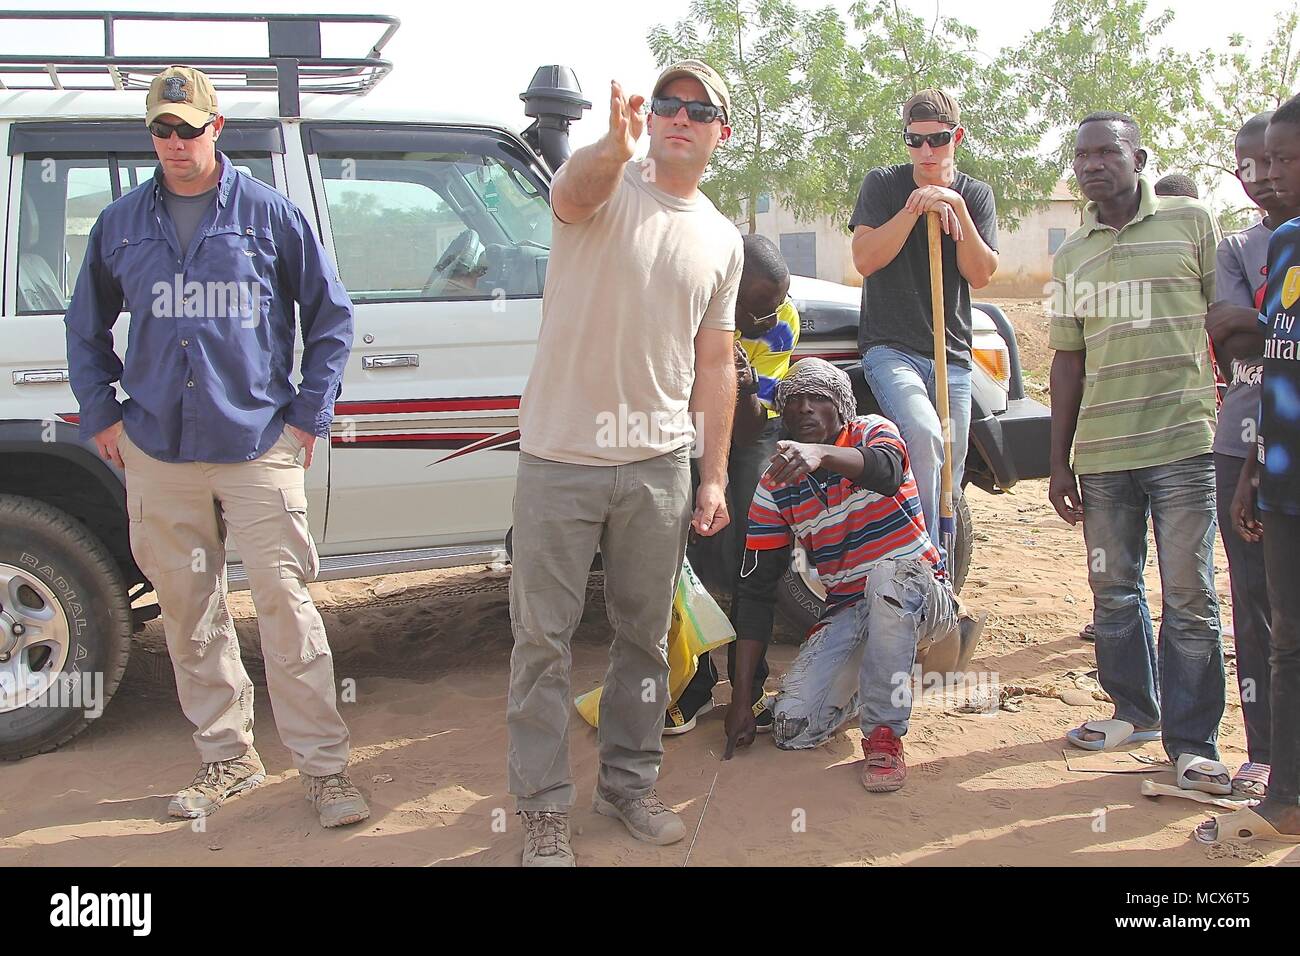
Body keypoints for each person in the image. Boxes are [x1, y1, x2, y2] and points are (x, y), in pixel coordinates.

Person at [63, 67, 366, 827]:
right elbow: (84, 327)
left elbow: (331, 319)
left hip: (258, 441)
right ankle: (228, 757)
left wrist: (306, 417)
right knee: (188, 611)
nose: (173, 143)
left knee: (287, 608)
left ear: (216, 128)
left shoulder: (270, 216)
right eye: (161, 130)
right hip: (159, 448)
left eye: (187, 129)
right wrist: (103, 413)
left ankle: (324, 771)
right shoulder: (121, 223)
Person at [506, 60, 743, 866]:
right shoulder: (607, 186)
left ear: (721, 131)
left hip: (657, 465)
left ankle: (629, 784)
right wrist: (614, 142)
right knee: (542, 639)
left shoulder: (721, 237)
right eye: (667, 104)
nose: (679, 117)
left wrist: (712, 473)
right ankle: (542, 811)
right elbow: (571, 189)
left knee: (644, 637)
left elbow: (716, 364)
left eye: (697, 109)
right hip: (560, 458)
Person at [1048, 112, 1227, 792]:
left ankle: (1193, 744)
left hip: (1183, 444)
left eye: (1107, 152)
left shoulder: (1191, 224)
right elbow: (1068, 362)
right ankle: (1134, 711)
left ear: (1139, 156)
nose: (1093, 164)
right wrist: (1059, 460)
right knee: (1113, 592)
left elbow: (1223, 318)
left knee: (1189, 596)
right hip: (1102, 453)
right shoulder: (1072, 254)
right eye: (1082, 155)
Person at [721, 358, 978, 793]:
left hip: (915, 587)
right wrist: (743, 699)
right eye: (794, 401)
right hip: (851, 609)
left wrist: (820, 455)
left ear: (842, 409)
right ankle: (888, 670)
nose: (804, 408)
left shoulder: (873, 432)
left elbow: (887, 471)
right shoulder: (775, 484)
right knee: (792, 728)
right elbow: (757, 592)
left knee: (888, 580)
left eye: (818, 399)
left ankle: (884, 736)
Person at [1202, 97, 1300, 844]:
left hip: (1274, 452)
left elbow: (1256, 338)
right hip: (1259, 453)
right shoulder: (1252, 246)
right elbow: (1237, 341)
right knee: (1265, 614)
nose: (1266, 176)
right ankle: (1271, 763)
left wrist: (1259, 330)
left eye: (1282, 160)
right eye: (1254, 164)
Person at [849, 89, 999, 565]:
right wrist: (915, 210)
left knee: (949, 475)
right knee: (923, 433)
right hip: (891, 349)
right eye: (915, 141)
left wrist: (954, 206)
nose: (926, 152)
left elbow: (980, 272)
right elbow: (866, 259)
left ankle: (940, 575)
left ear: (957, 136)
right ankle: (924, 562)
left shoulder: (975, 194)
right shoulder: (883, 185)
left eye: (936, 139)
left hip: (950, 357)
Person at [672, 234, 799, 735]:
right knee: (690, 554)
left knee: (752, 549)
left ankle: (749, 687)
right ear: (727, 292)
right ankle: (694, 684)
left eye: (776, 308)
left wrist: (742, 383)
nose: (769, 321)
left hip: (747, 430)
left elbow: (749, 427)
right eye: (758, 312)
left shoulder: (780, 320)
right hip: (684, 428)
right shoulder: (688, 307)